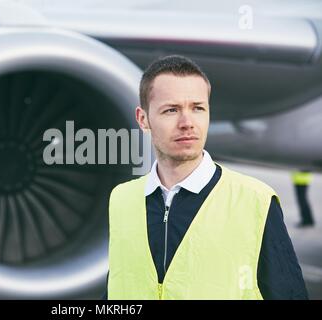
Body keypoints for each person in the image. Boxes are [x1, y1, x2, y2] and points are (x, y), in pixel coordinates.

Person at [105, 55, 308, 300]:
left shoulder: (256, 201)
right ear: (143, 119)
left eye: (198, 108)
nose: (187, 123)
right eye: (171, 110)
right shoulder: (122, 200)